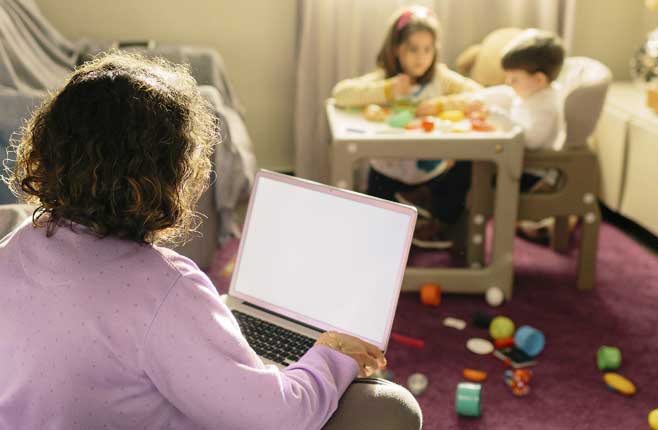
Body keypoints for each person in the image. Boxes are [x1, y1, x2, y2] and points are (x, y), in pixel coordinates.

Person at [0, 52, 421, 430]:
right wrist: (332, 354)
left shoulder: (15, 246)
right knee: (393, 407)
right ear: (172, 175)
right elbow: (280, 418)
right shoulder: (165, 286)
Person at [332, 6, 482, 250]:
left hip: (433, 175)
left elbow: (480, 94)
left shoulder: (440, 79)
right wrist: (388, 90)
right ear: (396, 50)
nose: (421, 57)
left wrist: (441, 104)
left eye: (427, 49)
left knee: (466, 168)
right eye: (413, 49)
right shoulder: (385, 79)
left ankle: (436, 218)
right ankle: (406, 217)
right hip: (388, 174)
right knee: (377, 236)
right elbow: (341, 94)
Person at [418, 29, 566, 239]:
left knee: (467, 168)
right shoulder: (531, 93)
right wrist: (478, 100)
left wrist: (496, 115)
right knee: (462, 163)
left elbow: (530, 140)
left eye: (514, 79)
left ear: (539, 79)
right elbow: (507, 97)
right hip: (515, 162)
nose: (509, 83)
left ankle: (442, 221)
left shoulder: (546, 106)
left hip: (530, 173)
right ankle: (434, 200)